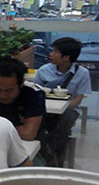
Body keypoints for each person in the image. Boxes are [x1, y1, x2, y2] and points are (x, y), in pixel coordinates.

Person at [35, 37, 92, 166]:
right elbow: (35, 93)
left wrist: (61, 108)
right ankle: (47, 157)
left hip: (68, 110)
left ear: (66, 57)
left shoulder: (82, 73)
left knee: (62, 124)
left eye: (55, 52)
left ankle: (54, 162)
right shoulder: (44, 70)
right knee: (39, 126)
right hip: (44, 109)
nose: (51, 54)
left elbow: (77, 99)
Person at [0, 57, 45, 141]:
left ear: (21, 84)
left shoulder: (34, 94)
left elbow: (28, 134)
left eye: (9, 91)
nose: (2, 95)